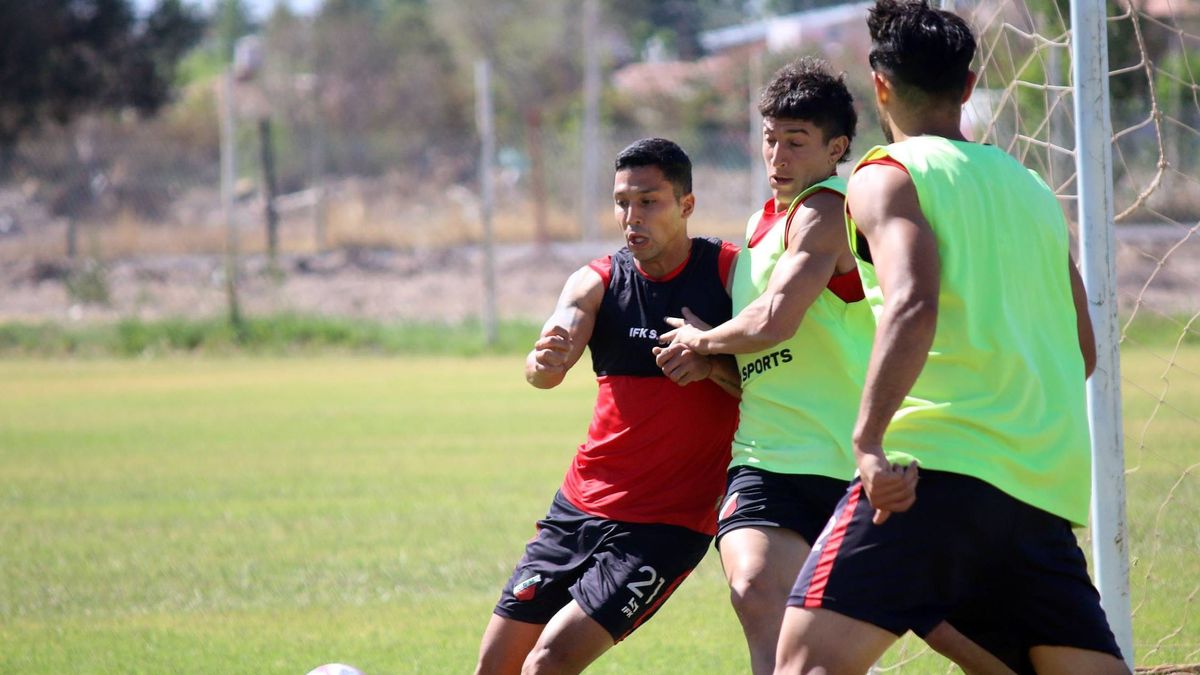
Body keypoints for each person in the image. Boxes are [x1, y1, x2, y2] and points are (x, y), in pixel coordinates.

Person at [774, 2, 1129, 674]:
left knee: (804, 663)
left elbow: (912, 301)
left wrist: (869, 440)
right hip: (1039, 489)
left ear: (878, 84)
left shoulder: (886, 175)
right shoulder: (1030, 189)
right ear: (968, 87)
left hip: (926, 471)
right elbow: (1083, 349)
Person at [659, 57, 1013, 675]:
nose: (777, 155)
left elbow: (775, 321)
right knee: (755, 591)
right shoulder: (758, 225)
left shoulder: (827, 210)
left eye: (796, 141)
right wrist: (714, 364)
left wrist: (704, 340)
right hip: (766, 462)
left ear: (837, 147)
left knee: (951, 630)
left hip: (849, 466)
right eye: (770, 138)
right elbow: (770, 358)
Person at [474, 137, 742, 675]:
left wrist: (711, 360)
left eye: (649, 201)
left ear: (686, 205)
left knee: (548, 662)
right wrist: (545, 360)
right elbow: (547, 360)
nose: (631, 216)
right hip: (576, 510)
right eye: (622, 202)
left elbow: (779, 381)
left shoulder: (731, 274)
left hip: (665, 527)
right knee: (495, 665)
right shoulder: (597, 280)